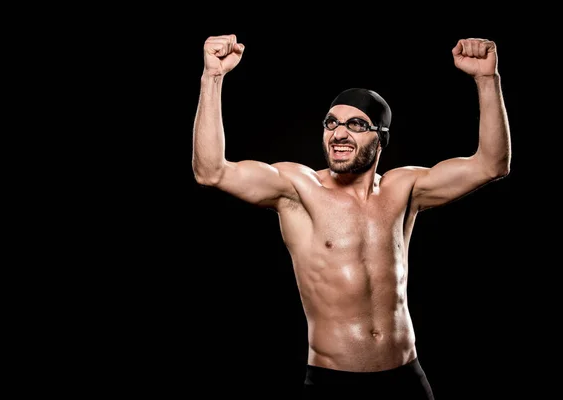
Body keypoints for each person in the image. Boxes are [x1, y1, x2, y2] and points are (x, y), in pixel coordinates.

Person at [192, 34, 511, 399]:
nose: (339, 133)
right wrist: (212, 77)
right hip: (333, 383)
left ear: (381, 138)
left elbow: (491, 164)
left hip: (406, 376)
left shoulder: (404, 188)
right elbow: (211, 171)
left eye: (356, 125)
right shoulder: (299, 188)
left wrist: (488, 80)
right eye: (331, 123)